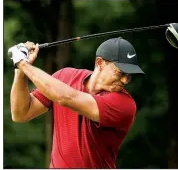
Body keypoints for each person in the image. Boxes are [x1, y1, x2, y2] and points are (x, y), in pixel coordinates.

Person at [9, 37, 145, 168]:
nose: (125, 80)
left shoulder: (124, 105)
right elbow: (21, 113)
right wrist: (20, 70)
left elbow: (66, 98)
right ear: (100, 63)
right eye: (120, 73)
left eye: (129, 75)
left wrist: (22, 63)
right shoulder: (65, 76)